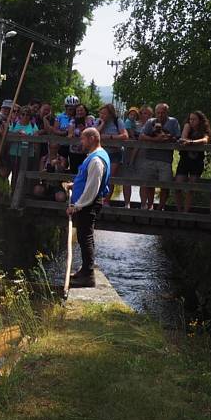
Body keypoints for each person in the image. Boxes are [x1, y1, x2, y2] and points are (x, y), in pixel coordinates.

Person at [65, 128, 111, 288]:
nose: (81, 142)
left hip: (89, 204)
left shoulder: (96, 160)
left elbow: (92, 187)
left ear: (92, 138)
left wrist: (77, 206)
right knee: (85, 236)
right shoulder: (95, 156)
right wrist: (74, 184)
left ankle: (88, 275)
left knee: (86, 237)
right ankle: (85, 269)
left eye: (83, 139)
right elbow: (87, 180)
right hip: (89, 203)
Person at [139, 103, 180, 211]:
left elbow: (178, 137)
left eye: (163, 112)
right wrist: (155, 140)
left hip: (165, 159)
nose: (160, 115)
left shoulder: (173, 122)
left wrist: (168, 138)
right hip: (150, 158)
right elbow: (142, 136)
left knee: (165, 185)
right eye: (158, 113)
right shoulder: (150, 122)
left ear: (167, 112)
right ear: (155, 113)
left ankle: (161, 207)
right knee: (149, 184)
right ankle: (150, 205)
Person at [176, 111, 211, 212]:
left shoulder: (204, 130)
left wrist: (191, 142)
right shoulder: (187, 127)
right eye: (190, 119)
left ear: (200, 121)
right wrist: (187, 126)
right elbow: (183, 139)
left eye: (194, 119)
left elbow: (205, 140)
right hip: (185, 160)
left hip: (197, 161)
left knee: (191, 188)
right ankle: (179, 211)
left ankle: (186, 212)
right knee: (177, 186)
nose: (191, 121)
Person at [95, 103, 128, 206]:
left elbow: (125, 135)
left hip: (115, 153)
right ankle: (98, 199)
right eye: (101, 113)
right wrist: (102, 124)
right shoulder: (98, 121)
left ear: (110, 114)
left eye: (104, 113)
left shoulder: (118, 121)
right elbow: (94, 134)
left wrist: (110, 137)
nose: (102, 115)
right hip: (101, 153)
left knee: (110, 178)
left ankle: (106, 200)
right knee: (99, 177)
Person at [122, 106, 141, 208]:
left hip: (133, 141)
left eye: (134, 115)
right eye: (131, 114)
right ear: (128, 115)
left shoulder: (134, 122)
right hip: (130, 141)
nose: (132, 116)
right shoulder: (128, 122)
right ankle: (132, 161)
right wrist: (134, 139)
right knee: (136, 148)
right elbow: (130, 132)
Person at [66, 104, 94, 174]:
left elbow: (93, 132)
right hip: (74, 151)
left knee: (86, 172)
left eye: (81, 110)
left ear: (85, 111)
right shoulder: (73, 121)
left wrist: (83, 130)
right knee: (74, 172)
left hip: (87, 152)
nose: (79, 112)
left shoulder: (90, 120)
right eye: (77, 110)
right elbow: (70, 134)